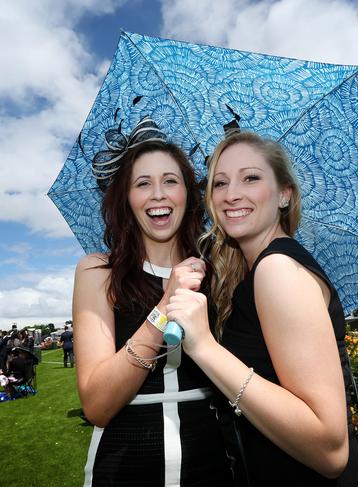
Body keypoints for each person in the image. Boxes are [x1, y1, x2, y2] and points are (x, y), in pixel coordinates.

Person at [166, 131, 358, 485]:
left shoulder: (277, 270)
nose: (232, 194)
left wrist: (204, 346)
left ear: (284, 194)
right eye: (220, 182)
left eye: (251, 177)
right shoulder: (251, 273)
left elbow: (330, 450)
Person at [74, 118, 232, 486]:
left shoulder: (220, 269)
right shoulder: (97, 271)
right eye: (143, 183)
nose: (158, 194)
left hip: (213, 462)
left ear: (189, 196)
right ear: (126, 199)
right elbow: (97, 405)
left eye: (170, 181)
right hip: (124, 465)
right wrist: (164, 307)